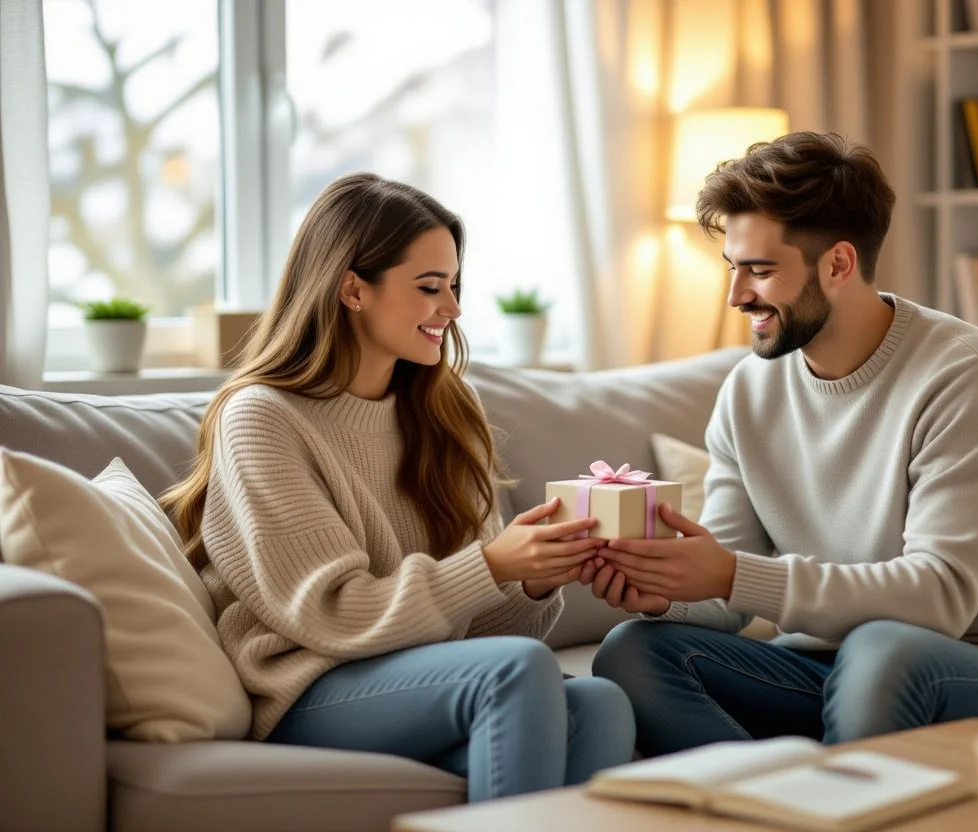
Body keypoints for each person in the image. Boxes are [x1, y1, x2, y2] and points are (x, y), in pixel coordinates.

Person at [589, 132, 978, 757]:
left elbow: (940, 598)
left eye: (761, 270)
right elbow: (728, 588)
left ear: (839, 264)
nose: (737, 295)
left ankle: (825, 796)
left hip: (977, 669)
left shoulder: (966, 376)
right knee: (633, 650)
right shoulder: (748, 391)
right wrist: (664, 592)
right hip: (821, 669)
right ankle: (776, 799)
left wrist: (732, 574)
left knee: (884, 649)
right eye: (733, 268)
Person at [162, 172, 635, 801]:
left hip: (420, 676)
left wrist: (533, 578)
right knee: (519, 672)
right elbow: (328, 612)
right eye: (430, 287)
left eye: (455, 286)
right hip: (310, 686)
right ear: (353, 289)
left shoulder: (447, 411)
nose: (453, 309)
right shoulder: (261, 417)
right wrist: (491, 564)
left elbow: (481, 635)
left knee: (601, 703)